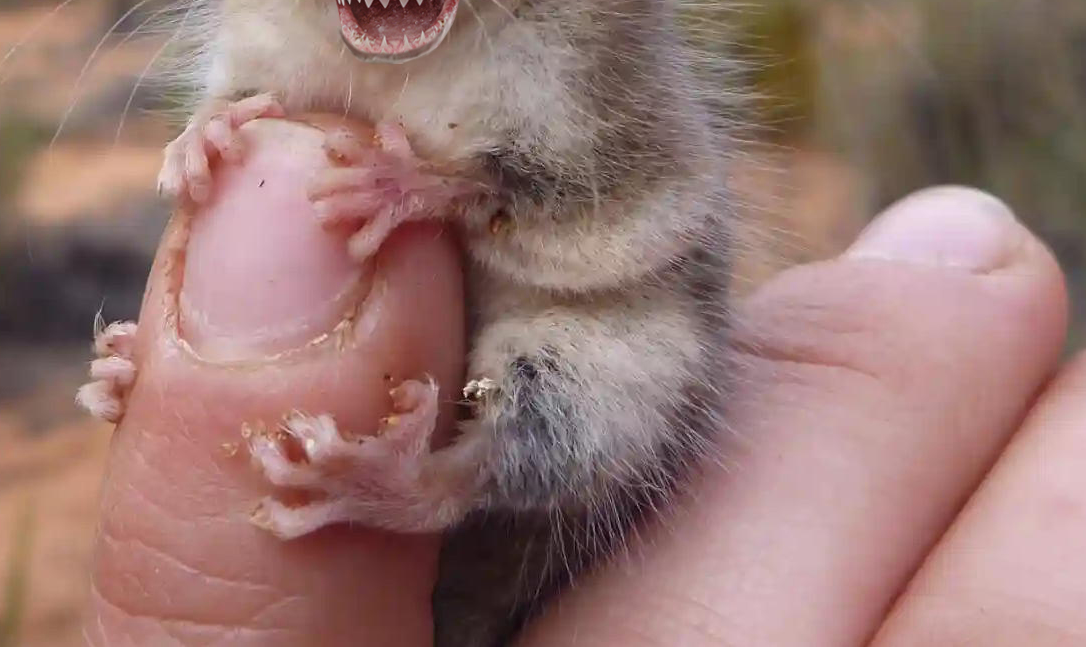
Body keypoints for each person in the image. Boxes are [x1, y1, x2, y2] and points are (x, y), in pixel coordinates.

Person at [84, 119, 1085, 645]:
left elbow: (640, 215)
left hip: (541, 400)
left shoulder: (583, 50)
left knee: (574, 382)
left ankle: (437, 477)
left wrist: (466, 191)